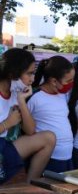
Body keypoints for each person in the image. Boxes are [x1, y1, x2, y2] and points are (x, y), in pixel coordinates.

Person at [0, 48, 55, 184]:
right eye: (29, 73)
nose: (33, 79)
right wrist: (7, 123)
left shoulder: (15, 93)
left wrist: (22, 101)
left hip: (6, 146)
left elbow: (31, 130)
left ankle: (29, 186)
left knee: (49, 138)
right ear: (13, 73)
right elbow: (9, 124)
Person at [28, 56, 75, 173]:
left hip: (68, 157)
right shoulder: (34, 96)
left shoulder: (62, 95)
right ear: (54, 81)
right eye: (68, 81)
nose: (71, 84)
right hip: (49, 159)